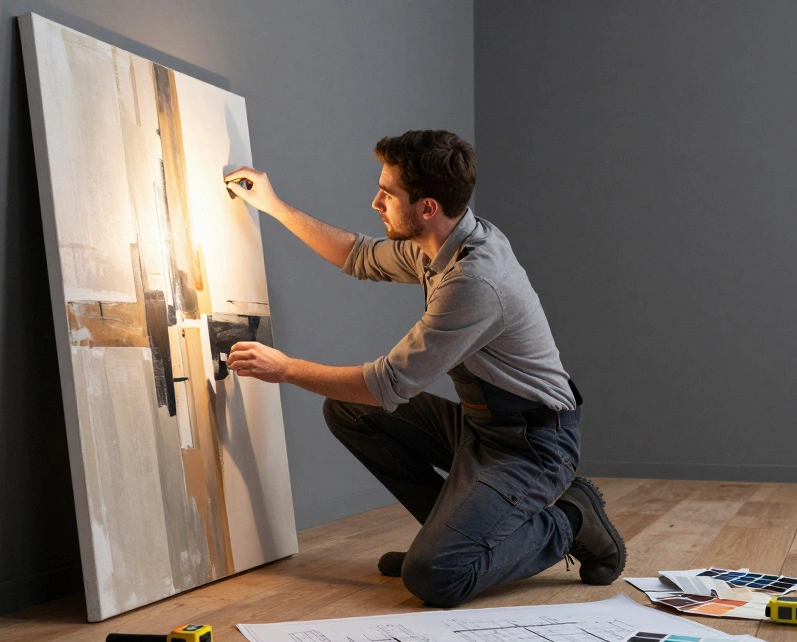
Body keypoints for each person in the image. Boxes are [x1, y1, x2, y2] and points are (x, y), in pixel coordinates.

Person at [223, 130, 625, 608]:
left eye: (388, 193)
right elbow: (358, 255)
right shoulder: (444, 242)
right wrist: (273, 205)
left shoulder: (475, 281)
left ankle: (572, 518)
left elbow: (386, 385)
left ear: (427, 207)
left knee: (437, 578)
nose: (376, 202)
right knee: (348, 412)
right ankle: (452, 538)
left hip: (533, 446)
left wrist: (285, 369)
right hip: (483, 428)